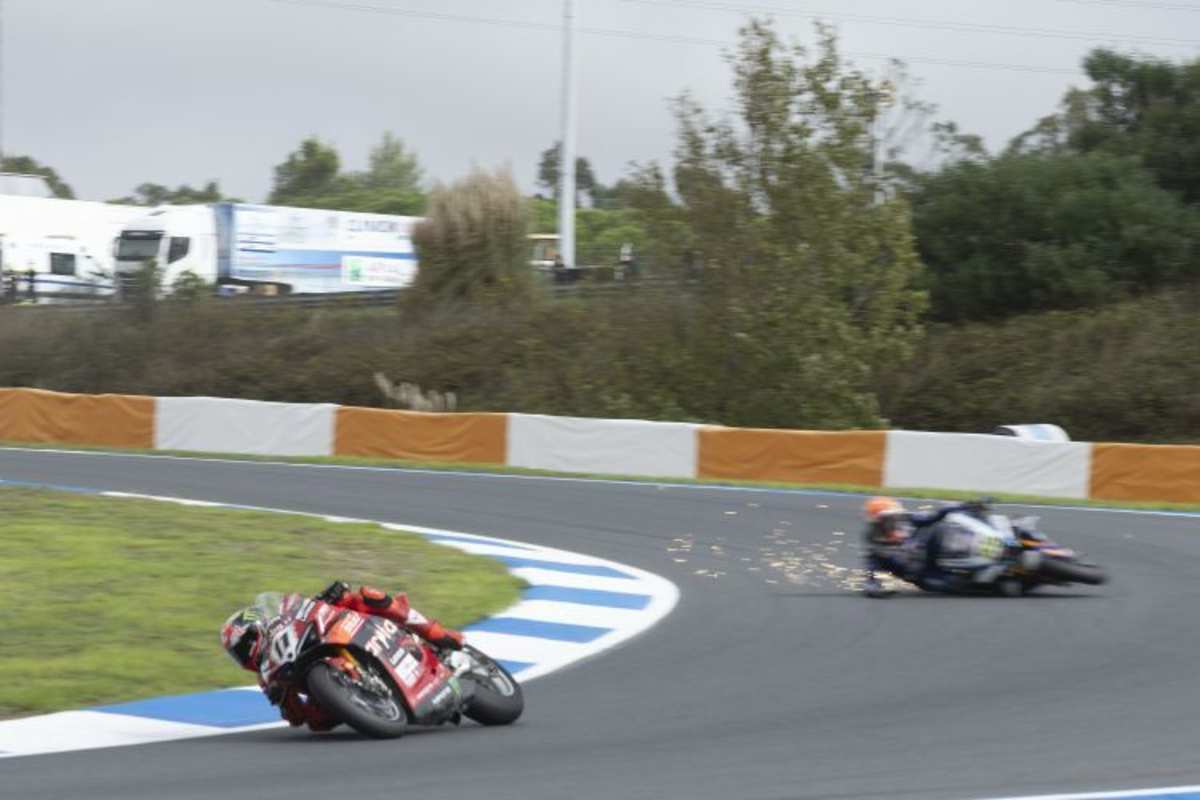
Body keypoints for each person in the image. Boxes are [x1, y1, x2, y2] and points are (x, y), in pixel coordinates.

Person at [220, 581, 465, 730]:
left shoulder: (286, 618)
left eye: (244, 646)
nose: (244, 656)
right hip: (333, 684)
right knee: (317, 724)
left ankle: (435, 633)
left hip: (345, 629)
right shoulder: (267, 675)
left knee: (369, 596)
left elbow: (304, 607)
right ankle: (368, 700)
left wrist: (331, 596)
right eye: (238, 654)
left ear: (257, 628)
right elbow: (295, 717)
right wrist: (282, 698)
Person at [861, 496, 993, 597]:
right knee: (958, 586)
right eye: (890, 520)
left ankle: (983, 527)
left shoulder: (906, 518)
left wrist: (965, 506)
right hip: (924, 573)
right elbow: (870, 579)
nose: (896, 521)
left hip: (933, 548)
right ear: (878, 524)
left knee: (944, 524)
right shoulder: (876, 552)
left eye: (895, 517)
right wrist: (874, 589)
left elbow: (934, 516)